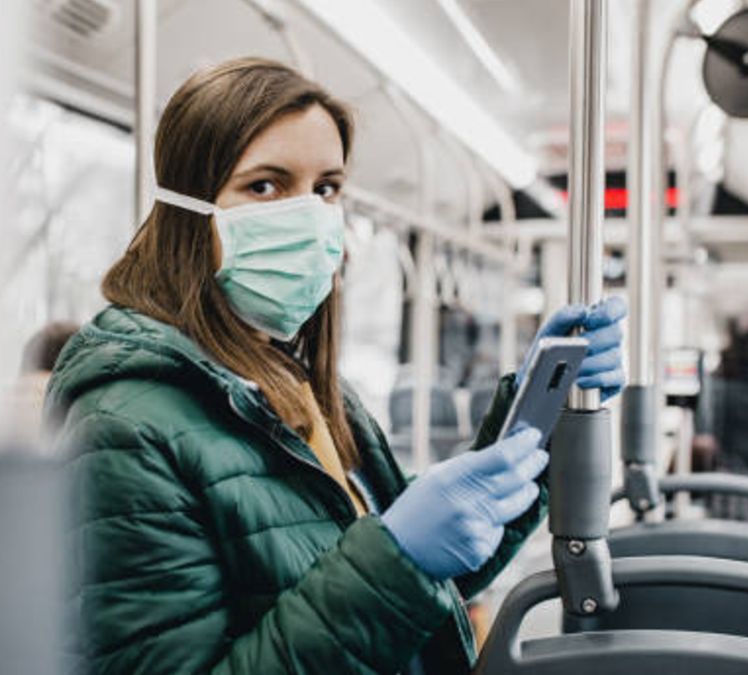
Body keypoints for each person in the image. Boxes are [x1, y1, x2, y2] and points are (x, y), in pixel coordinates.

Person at [44, 58, 626, 674]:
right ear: (184, 206)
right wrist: (398, 557)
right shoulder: (122, 427)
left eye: (325, 189)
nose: (309, 216)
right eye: (265, 185)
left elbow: (422, 588)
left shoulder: (297, 385)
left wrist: (535, 422)